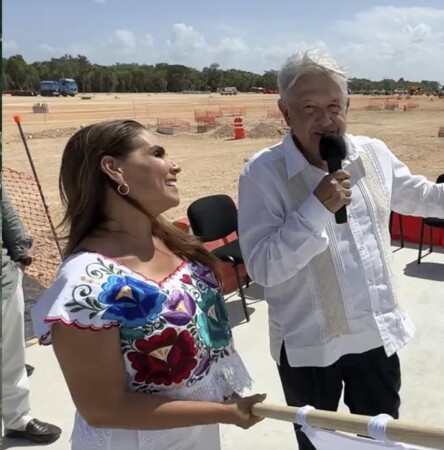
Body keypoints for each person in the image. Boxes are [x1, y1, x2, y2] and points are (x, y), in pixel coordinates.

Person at [237, 49, 444, 450]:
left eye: (334, 106)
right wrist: (316, 209)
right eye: (309, 108)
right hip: (309, 345)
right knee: (318, 443)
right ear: (285, 113)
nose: (325, 119)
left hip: (374, 336)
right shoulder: (262, 175)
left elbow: (424, 196)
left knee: (383, 441)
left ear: (348, 105)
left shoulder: (371, 154)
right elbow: (263, 268)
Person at [30, 120, 267, 449]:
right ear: (114, 169)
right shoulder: (85, 283)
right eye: (157, 153)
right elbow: (103, 409)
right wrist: (224, 412)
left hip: (198, 435)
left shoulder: (174, 244)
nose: (175, 165)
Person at [1, 185, 62, 444]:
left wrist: (19, 249)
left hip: (2, 277)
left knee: (11, 355)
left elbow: (3, 203)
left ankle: (18, 420)